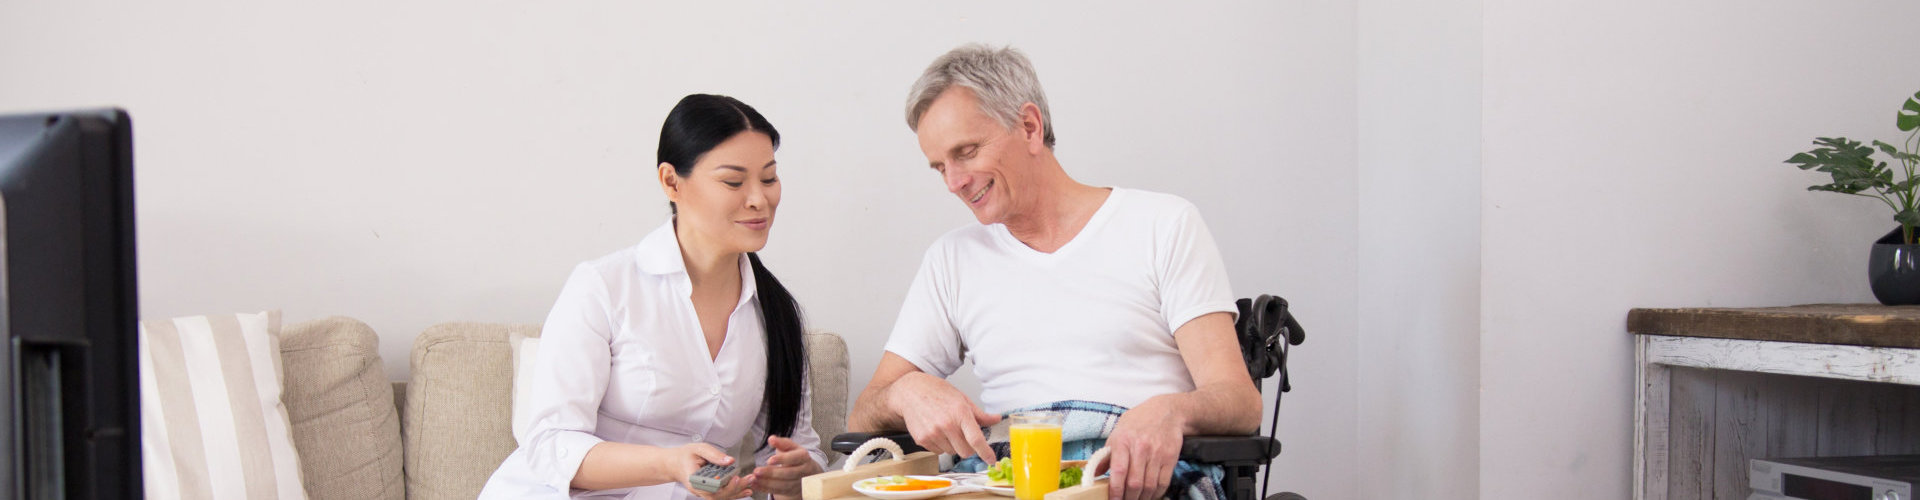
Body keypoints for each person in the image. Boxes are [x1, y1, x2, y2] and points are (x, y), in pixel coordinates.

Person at [846, 45, 1262, 500]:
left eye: (966, 152)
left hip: (1131, 475)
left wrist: (1171, 412)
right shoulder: (952, 259)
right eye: (939, 166)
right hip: (1009, 479)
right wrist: (905, 392)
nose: (953, 182)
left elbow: (1239, 401)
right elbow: (864, 414)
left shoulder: (1163, 224)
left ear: (1029, 127)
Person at [480, 94, 826, 500]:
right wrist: (668, 464)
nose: (759, 199)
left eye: (768, 178)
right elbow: (549, 443)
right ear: (670, 181)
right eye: (733, 181)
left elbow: (797, 445)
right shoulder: (603, 287)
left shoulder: (777, 315)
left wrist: (799, 475)